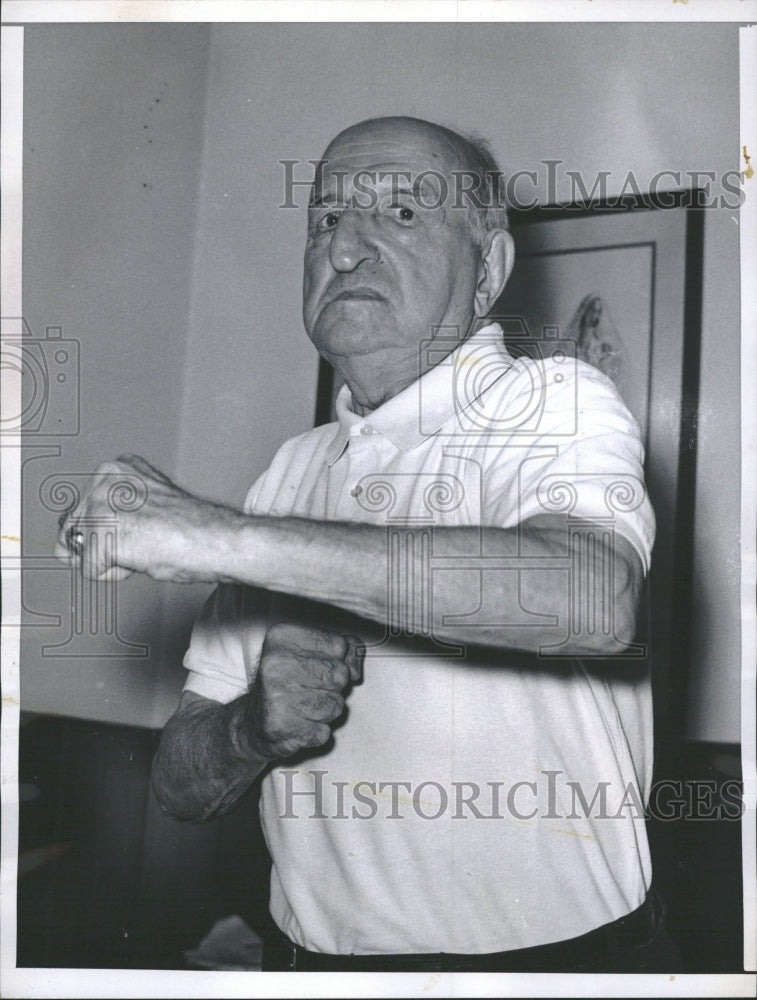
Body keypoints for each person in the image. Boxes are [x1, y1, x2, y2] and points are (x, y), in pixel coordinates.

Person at [57, 116, 680, 972]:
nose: (344, 249)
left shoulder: (555, 403)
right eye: (324, 219)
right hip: (316, 968)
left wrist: (224, 537)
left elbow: (591, 600)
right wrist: (253, 731)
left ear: (487, 272)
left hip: (557, 969)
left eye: (401, 215)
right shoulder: (292, 469)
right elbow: (178, 788)